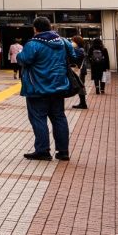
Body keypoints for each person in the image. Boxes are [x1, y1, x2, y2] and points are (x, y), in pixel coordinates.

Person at [17, 16, 79, 162]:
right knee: (59, 118)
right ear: (50, 27)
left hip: (37, 88)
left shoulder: (33, 44)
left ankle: (43, 150)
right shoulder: (63, 42)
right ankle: (63, 151)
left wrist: (20, 54)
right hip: (59, 87)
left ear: (35, 29)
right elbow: (74, 56)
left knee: (38, 119)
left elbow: (23, 59)